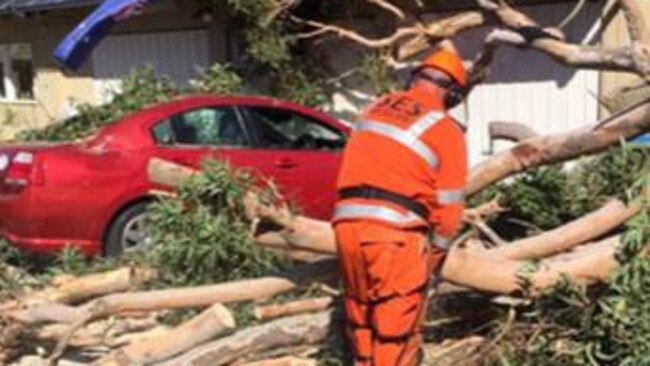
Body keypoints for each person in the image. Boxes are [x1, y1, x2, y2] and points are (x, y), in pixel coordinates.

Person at [332, 43, 469, 366]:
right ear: (453, 95)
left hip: (346, 227)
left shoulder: (375, 106)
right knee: (396, 334)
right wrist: (433, 256)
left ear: (415, 78)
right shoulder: (445, 129)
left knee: (362, 322)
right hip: (394, 235)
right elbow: (449, 212)